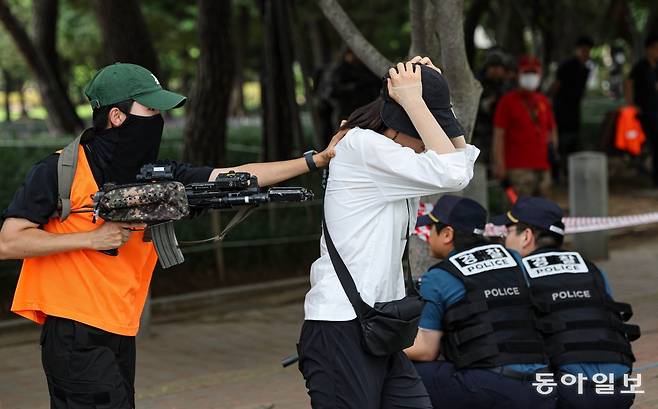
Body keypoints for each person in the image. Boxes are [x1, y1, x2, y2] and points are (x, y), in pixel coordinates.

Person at [0, 62, 345, 409]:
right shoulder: (59, 171)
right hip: (73, 327)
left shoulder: (152, 176)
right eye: (151, 109)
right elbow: (9, 241)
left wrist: (316, 160)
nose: (159, 119)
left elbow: (233, 176)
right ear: (118, 117)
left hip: (119, 324)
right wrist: (91, 239)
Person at [297, 56, 479, 409]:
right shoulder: (363, 146)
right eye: (422, 133)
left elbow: (461, 163)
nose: (427, 144)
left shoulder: (393, 155)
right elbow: (454, 174)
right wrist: (412, 100)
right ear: (397, 123)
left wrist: (431, 92)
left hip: (380, 325)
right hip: (341, 327)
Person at [405, 195, 554, 409]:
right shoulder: (515, 260)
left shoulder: (439, 276)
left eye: (431, 229)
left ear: (447, 234)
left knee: (405, 371)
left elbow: (426, 350)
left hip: (490, 388)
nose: (427, 236)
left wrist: (377, 343)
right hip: (541, 385)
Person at [494, 197, 640, 409]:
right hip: (621, 389)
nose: (504, 239)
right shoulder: (591, 269)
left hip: (568, 392)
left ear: (526, 236)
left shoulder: (517, 273)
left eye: (507, 232)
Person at [493, 56, 558, 198]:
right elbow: (499, 135)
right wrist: (500, 165)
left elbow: (551, 129)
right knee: (518, 212)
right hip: (517, 169)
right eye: (527, 72)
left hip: (543, 166)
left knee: (543, 213)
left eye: (534, 73)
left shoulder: (543, 101)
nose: (531, 76)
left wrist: (553, 152)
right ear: (519, 75)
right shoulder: (507, 102)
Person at [550, 36, 594, 174]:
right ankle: (556, 169)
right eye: (583, 50)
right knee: (559, 140)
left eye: (587, 51)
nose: (585, 54)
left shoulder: (586, 70)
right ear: (577, 50)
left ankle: (569, 171)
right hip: (561, 108)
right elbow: (556, 85)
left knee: (573, 140)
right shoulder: (567, 66)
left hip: (574, 109)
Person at [626, 34, 658, 187]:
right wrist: (631, 104)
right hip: (644, 112)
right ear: (649, 49)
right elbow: (628, 83)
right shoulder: (640, 67)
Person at [472, 52, 512, 168]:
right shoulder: (479, 84)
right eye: (492, 67)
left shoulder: (506, 85)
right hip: (483, 132)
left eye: (498, 67)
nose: (495, 71)